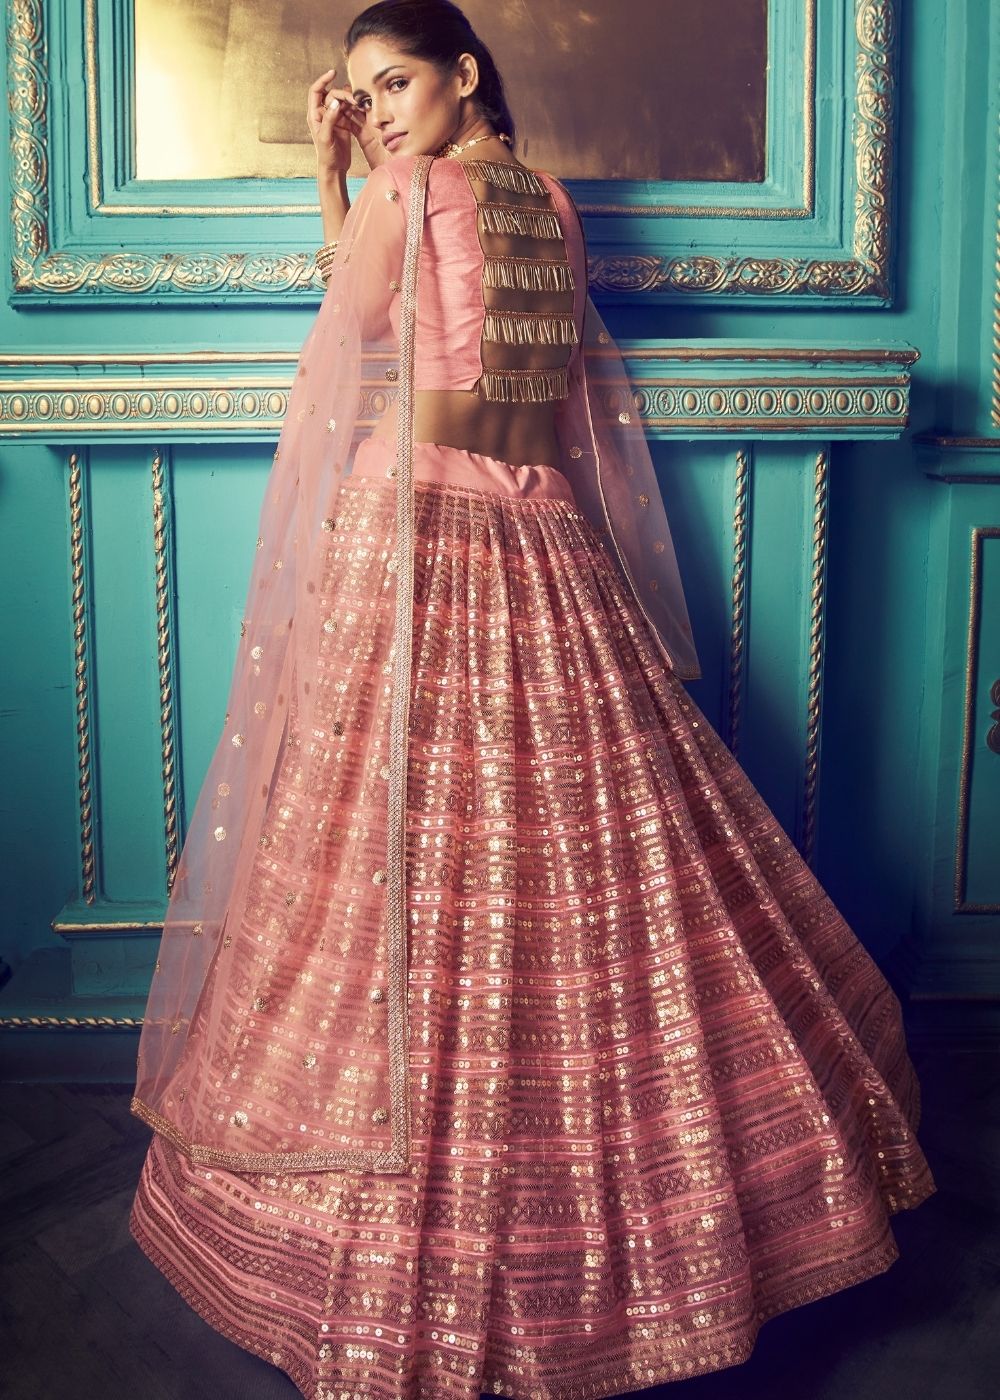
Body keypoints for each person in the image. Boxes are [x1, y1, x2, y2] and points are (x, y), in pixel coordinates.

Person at [128, 4, 936, 1397]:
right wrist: (356, 169)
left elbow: (354, 323)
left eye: (395, 83)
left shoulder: (407, 191)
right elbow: (540, 393)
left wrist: (331, 175)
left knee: (395, 850)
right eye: (363, 96)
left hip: (419, 519)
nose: (379, 111)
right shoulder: (550, 204)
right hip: (542, 525)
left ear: (464, 74)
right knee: (569, 842)